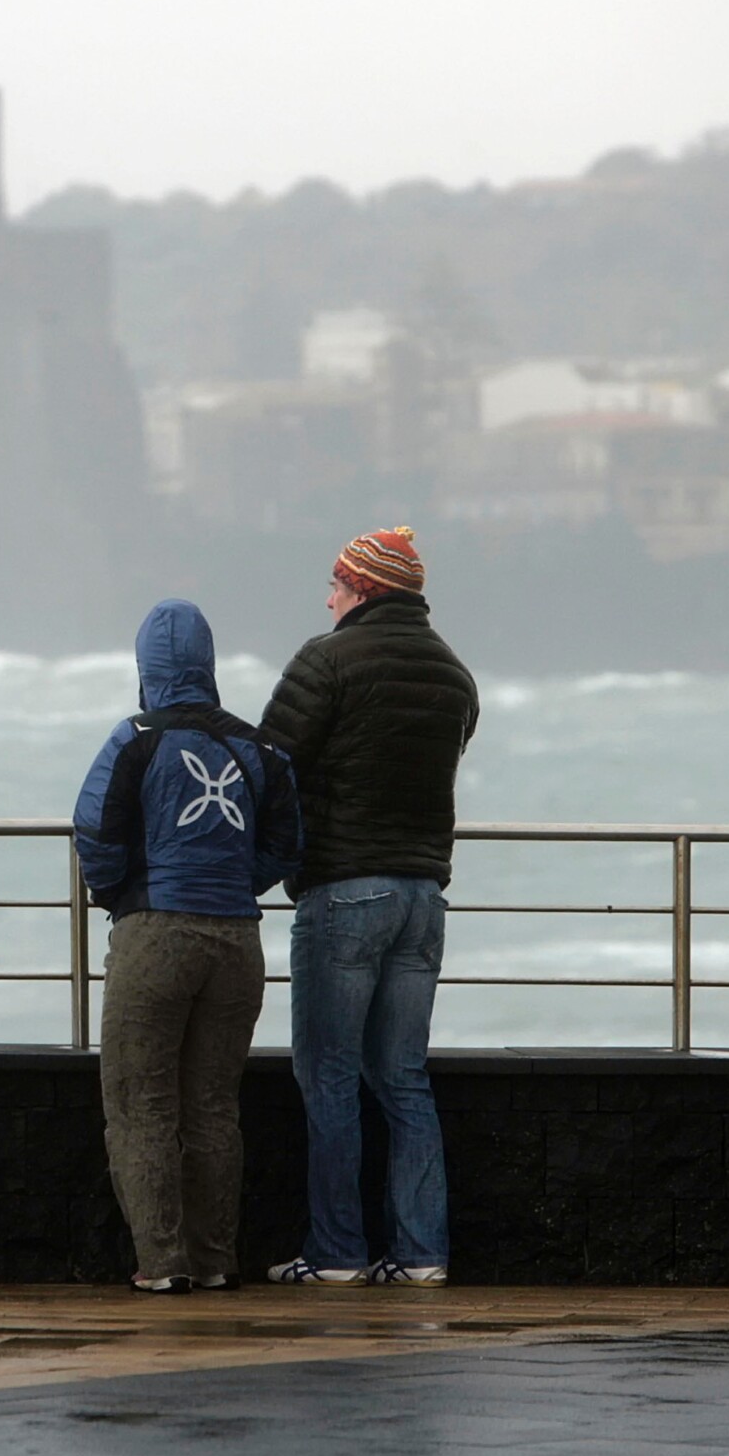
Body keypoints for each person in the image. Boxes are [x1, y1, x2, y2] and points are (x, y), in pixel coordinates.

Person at [259, 528, 479, 1289]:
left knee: (328, 1074)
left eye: (336, 584)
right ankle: (422, 1255)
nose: (327, 598)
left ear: (364, 589)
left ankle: (337, 1253)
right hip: (424, 897)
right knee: (403, 1075)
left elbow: (269, 763)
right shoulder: (454, 673)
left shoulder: (326, 659)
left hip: (346, 887)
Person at [73, 599, 299, 1295]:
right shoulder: (259, 747)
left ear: (148, 667)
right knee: (212, 1104)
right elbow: (285, 845)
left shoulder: (135, 737)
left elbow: (94, 832)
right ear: (207, 663)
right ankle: (214, 1258)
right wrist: (233, 884)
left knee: (143, 1105)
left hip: (155, 931)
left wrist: (128, 897)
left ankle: (162, 1263)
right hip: (236, 938)